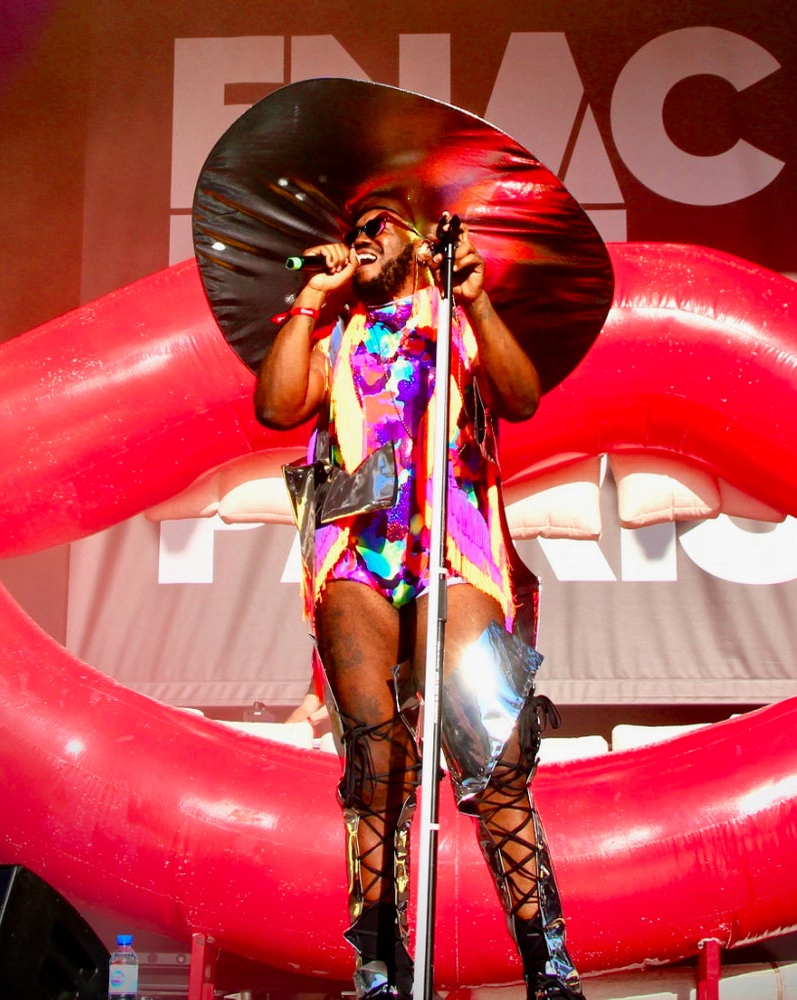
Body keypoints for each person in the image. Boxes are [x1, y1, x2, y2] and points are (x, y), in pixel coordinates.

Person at [253, 199, 584, 1000]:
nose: (362, 237)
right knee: (375, 762)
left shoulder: (456, 322)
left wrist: (471, 294)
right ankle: (379, 964)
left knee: (495, 753)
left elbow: (521, 397)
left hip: (453, 548)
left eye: (380, 224)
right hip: (356, 553)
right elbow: (276, 406)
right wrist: (312, 302)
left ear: (415, 240)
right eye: (353, 228)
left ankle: (548, 963)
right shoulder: (337, 334)